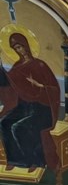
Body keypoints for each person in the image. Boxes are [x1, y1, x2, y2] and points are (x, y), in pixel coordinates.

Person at [0, 32, 61, 173]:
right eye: (15, 48)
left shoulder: (40, 65)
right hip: (24, 106)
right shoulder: (17, 66)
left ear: (26, 45)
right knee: (4, 123)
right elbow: (10, 83)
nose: (18, 50)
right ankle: (15, 160)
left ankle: (35, 161)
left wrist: (40, 86)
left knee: (20, 127)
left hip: (42, 109)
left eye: (19, 47)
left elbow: (54, 90)